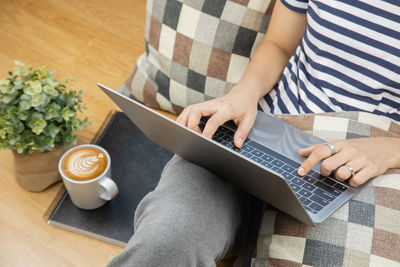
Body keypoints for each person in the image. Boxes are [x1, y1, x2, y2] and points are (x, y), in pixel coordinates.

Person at [108, 0, 400, 266]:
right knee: (164, 242)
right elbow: (279, 43)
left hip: (355, 174)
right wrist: (243, 93)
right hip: (259, 135)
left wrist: (387, 150)